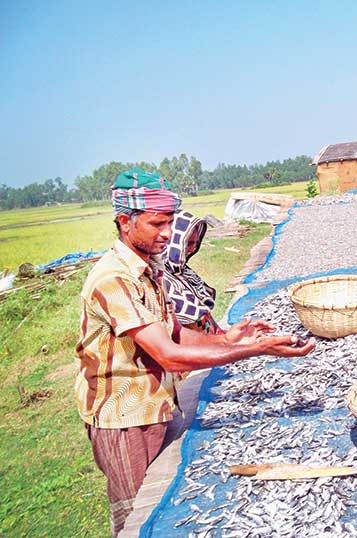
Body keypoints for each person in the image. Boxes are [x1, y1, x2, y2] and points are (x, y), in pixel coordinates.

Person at [74, 168, 316, 536]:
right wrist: (252, 351)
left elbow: (173, 333)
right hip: (124, 419)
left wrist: (229, 339)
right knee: (142, 518)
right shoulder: (113, 279)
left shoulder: (147, 269)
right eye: (157, 224)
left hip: (155, 404)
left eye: (169, 222)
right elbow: (169, 355)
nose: (168, 233)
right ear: (125, 221)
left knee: (165, 499)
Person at [163, 210, 223, 335]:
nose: (192, 249)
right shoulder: (163, 279)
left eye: (195, 244)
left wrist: (221, 334)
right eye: (188, 243)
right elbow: (185, 331)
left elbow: (205, 315)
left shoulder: (183, 273)